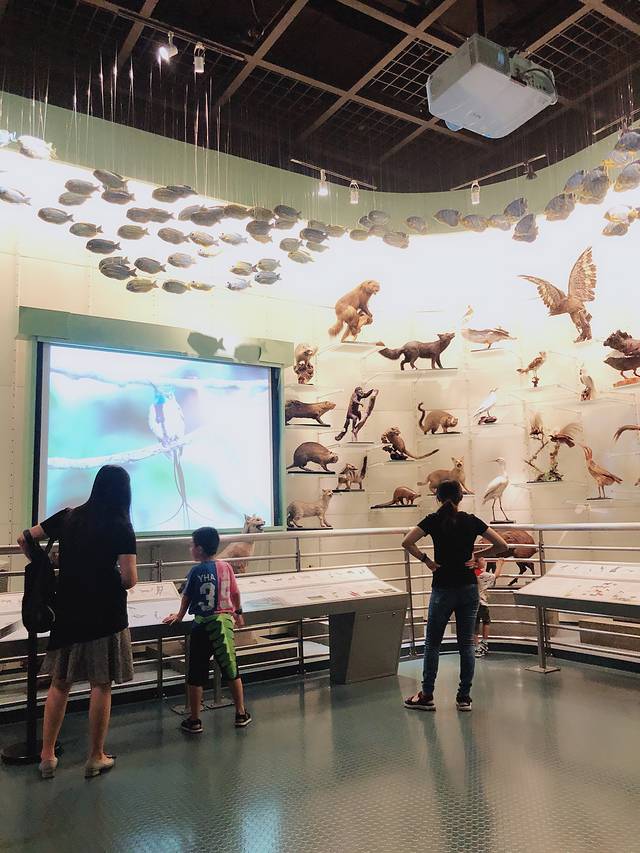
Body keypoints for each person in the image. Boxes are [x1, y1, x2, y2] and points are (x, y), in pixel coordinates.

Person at [17, 465, 138, 779]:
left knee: (60, 683)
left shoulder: (69, 517)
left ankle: (47, 756)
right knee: (101, 684)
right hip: (106, 614)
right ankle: (95, 756)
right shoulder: (121, 525)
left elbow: (24, 538)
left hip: (68, 611)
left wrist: (44, 563)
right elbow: (129, 579)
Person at [401, 480, 510, 712]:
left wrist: (427, 561)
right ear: (461, 498)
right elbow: (502, 545)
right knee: (467, 644)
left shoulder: (433, 520)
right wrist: (477, 555)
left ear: (438, 498)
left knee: (432, 643)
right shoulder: (471, 520)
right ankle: (464, 697)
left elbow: (407, 542)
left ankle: (427, 695)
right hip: (468, 588)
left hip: (442, 587)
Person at [163, 526, 251, 732]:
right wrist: (238, 613)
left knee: (196, 673)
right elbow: (235, 593)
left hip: (202, 625)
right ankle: (240, 713)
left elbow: (186, 597)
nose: (190, 549)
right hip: (224, 624)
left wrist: (179, 615)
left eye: (192, 545)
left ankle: (194, 719)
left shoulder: (195, 571)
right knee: (231, 668)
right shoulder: (226, 567)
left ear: (200, 549)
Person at [473, 555, 502, 658]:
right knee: (486, 621)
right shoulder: (481, 574)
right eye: (482, 559)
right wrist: (500, 564)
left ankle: (476, 647)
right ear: (476, 563)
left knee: (475, 625)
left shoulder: (471, 573)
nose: (484, 560)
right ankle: (484, 642)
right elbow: (496, 575)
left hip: (473, 603)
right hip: (482, 603)